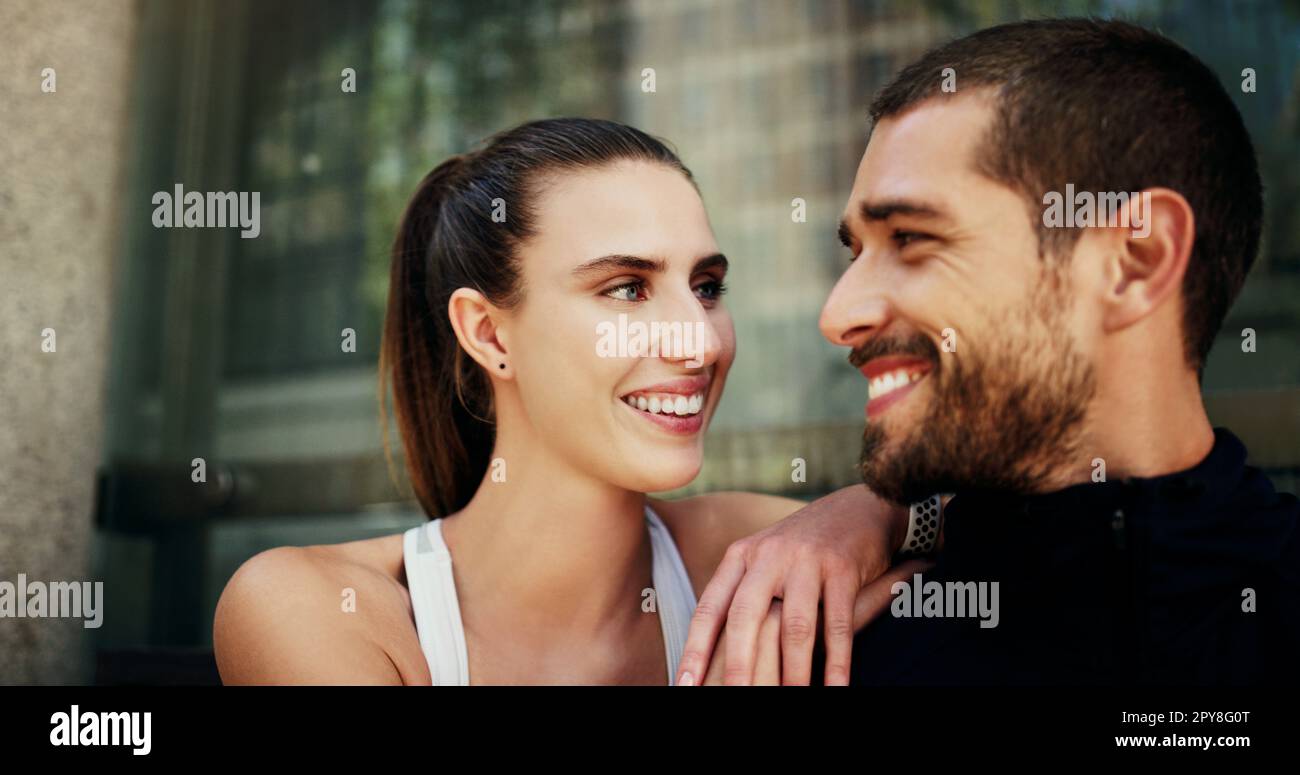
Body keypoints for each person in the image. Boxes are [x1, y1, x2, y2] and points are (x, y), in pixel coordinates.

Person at [677, 18, 1300, 686]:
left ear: (1135, 262)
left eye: (912, 238)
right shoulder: (824, 652)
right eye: (855, 252)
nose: (838, 316)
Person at [212, 118, 920, 685]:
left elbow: (1004, 523)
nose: (700, 342)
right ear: (489, 333)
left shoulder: (746, 552)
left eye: (705, 287)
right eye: (626, 288)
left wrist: (872, 512)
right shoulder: (316, 606)